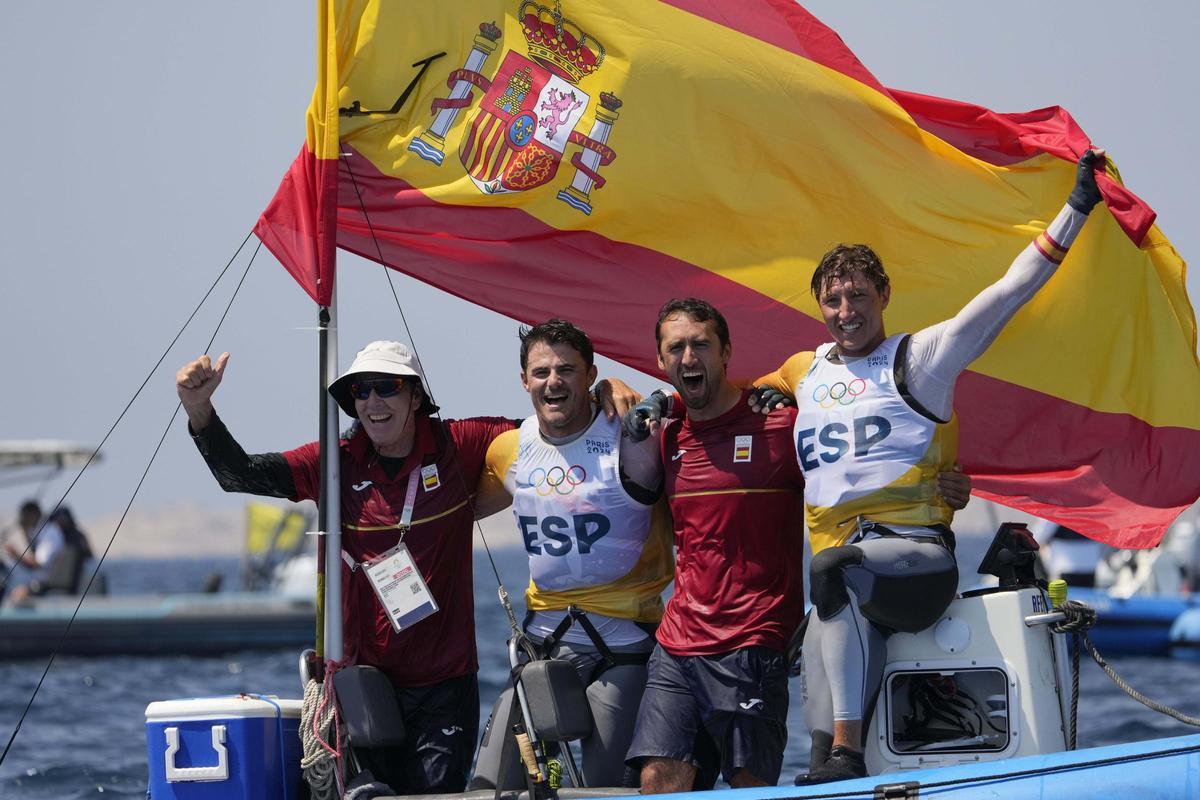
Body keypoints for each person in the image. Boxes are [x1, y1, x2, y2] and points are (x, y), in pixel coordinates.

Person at [749, 150, 1107, 784]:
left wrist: (1076, 209)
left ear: (884, 295)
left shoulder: (921, 359)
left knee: (832, 572)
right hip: (844, 583)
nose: (845, 310)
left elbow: (1008, 293)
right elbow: (753, 388)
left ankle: (852, 753)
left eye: (858, 295)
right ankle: (839, 766)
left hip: (917, 563)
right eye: (832, 299)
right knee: (814, 738)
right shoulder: (804, 369)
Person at [176, 341, 515, 794]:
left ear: (415, 396)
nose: (372, 403)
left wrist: (605, 392)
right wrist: (200, 409)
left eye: (386, 388)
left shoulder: (459, 443)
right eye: (360, 392)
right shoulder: (333, 461)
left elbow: (549, 431)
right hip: (361, 681)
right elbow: (237, 474)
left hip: (444, 685)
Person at [470, 319, 673, 789]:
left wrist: (623, 388)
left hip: (624, 649)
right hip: (543, 646)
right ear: (524, 380)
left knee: (602, 790)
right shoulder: (509, 450)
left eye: (567, 370)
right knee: (490, 785)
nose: (553, 381)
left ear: (590, 375)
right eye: (541, 372)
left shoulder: (630, 434)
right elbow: (454, 513)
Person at [2, 500, 66, 604]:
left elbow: (37, 564)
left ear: (34, 514)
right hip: (31, 579)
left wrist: (14, 552)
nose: (23, 520)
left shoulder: (50, 533)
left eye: (25, 516)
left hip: (41, 584)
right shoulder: (37, 532)